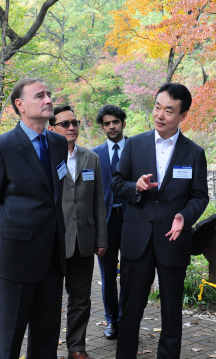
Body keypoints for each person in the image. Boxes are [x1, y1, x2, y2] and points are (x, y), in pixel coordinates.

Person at [112, 83, 209, 358]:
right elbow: (117, 183)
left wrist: (184, 216)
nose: (160, 115)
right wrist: (135, 187)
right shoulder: (134, 144)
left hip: (172, 240)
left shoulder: (194, 153)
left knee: (171, 313)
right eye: (157, 107)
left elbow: (200, 196)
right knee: (130, 310)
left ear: (183, 115)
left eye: (169, 110)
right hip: (137, 241)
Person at [0, 78, 68, 359]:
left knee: (46, 340)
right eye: (40, 95)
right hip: (13, 261)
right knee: (6, 342)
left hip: (52, 259)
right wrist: (0, 247)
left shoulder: (57, 143)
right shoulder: (1, 147)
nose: (49, 100)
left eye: (49, 93)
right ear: (20, 105)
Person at [47, 105, 108, 359]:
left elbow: (98, 201)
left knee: (81, 300)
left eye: (75, 123)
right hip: (53, 241)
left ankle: (77, 348)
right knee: (49, 300)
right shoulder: (46, 156)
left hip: (84, 239)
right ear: (51, 128)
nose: (71, 127)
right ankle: (46, 348)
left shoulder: (90, 158)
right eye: (65, 124)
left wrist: (101, 238)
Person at [91, 105, 128, 340]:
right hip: (105, 222)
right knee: (107, 276)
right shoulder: (95, 155)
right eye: (107, 123)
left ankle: (128, 317)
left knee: (133, 273)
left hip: (132, 220)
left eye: (115, 122)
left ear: (123, 123)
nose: (111, 126)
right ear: (102, 127)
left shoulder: (137, 149)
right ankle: (112, 320)